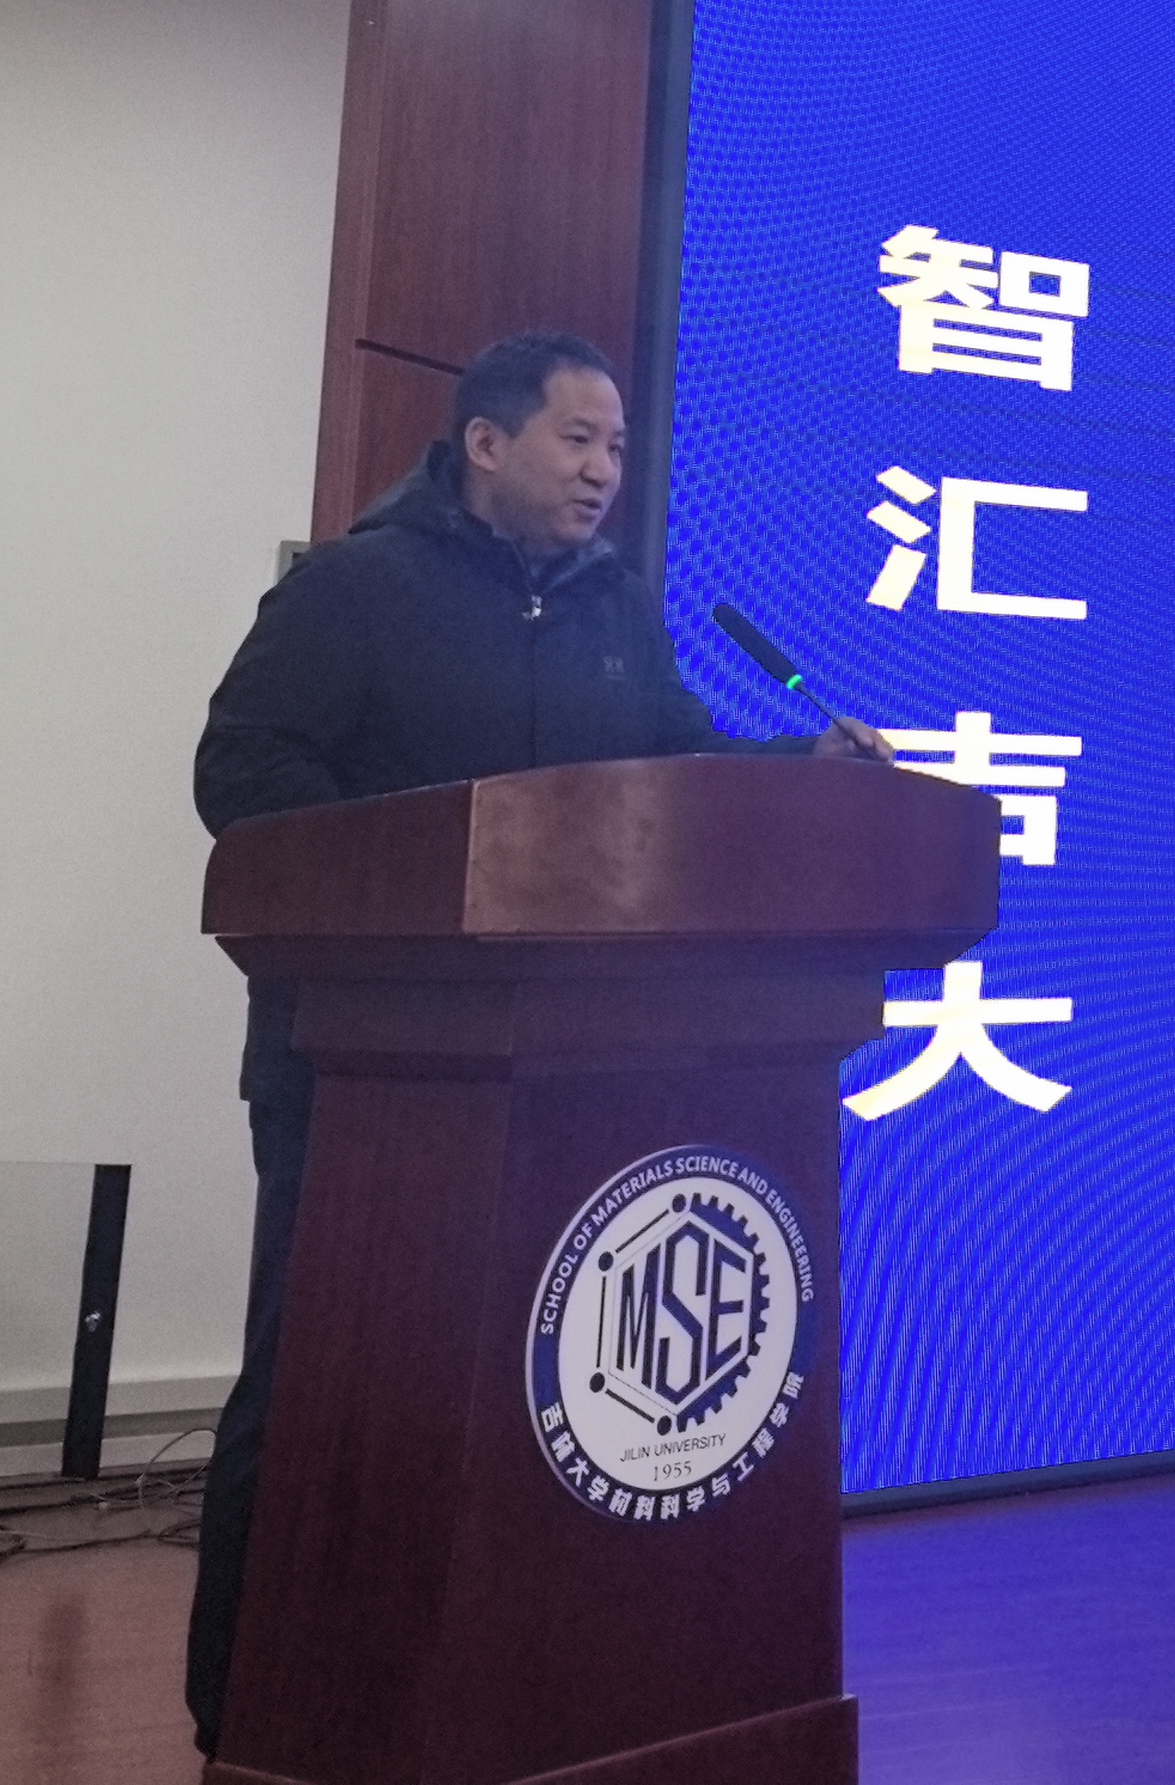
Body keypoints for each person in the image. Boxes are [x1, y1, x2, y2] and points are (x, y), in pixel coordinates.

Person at [180, 329, 880, 1753]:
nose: (605, 469)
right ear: (485, 444)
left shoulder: (618, 607)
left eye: (616, 446)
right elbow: (243, 777)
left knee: (530, 1393)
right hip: (366, 1067)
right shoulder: (354, 590)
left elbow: (668, 772)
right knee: (326, 1374)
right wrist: (427, 875)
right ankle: (256, 1711)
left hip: (588, 1080)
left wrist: (796, 772)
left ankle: (522, 1696)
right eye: (577, 439)